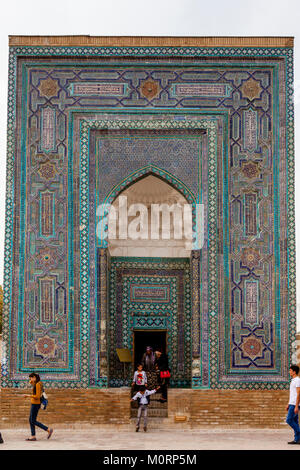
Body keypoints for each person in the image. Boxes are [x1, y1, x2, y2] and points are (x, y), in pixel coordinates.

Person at [23, 372, 53, 441]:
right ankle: (33, 436)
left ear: (35, 377)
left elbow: (37, 396)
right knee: (31, 420)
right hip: (35, 404)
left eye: (31, 378)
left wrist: (28, 396)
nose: (30, 379)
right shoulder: (38, 383)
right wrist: (32, 381)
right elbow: (31, 383)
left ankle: (48, 429)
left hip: (36, 404)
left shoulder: (38, 385)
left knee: (32, 420)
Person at [286, 365, 300, 444]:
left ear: (294, 372)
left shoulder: (298, 380)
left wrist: (296, 406)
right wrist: (288, 403)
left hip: (295, 404)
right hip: (292, 403)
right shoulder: (293, 380)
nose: (289, 372)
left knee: (289, 420)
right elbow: (292, 394)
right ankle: (297, 439)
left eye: (290, 370)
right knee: (295, 421)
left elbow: (298, 393)